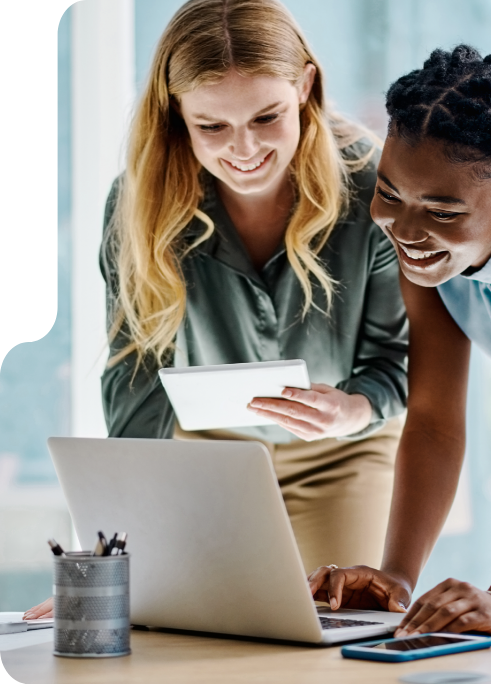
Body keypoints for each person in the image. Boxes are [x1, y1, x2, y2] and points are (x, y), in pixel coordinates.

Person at [23, 0, 408, 620]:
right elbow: (136, 378)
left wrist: (353, 408)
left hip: (345, 449)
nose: (245, 148)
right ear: (177, 113)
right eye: (212, 127)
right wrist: (116, 554)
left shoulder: (372, 185)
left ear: (305, 86)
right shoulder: (140, 204)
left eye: (267, 115)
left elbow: (397, 360)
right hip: (207, 453)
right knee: (187, 625)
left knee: (336, 629)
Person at [309, 45, 491, 640]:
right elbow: (436, 420)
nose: (408, 231)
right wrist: (395, 576)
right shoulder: (428, 260)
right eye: (390, 194)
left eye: (442, 210)